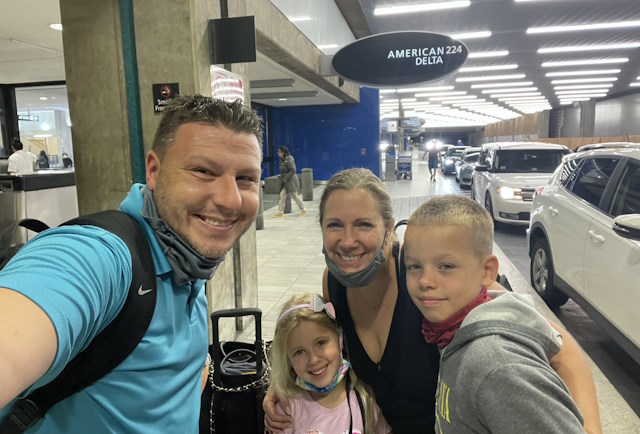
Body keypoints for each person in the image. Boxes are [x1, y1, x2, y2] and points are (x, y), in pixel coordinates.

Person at [264, 168, 602, 434]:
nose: (348, 240)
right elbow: (330, 354)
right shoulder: (333, 283)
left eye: (363, 224)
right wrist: (288, 389)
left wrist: (589, 428)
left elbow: (561, 351)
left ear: (387, 230)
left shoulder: (430, 283)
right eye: (334, 225)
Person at [0, 95, 263, 433]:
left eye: (246, 178)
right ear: (154, 171)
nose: (230, 199)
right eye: (203, 171)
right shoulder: (98, 258)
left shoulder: (186, 262)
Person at [404, 195, 586, 433]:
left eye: (446, 266)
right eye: (414, 266)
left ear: (487, 271)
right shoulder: (455, 333)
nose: (425, 281)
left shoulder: (496, 364)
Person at [271, 293, 391, 434]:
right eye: (299, 352)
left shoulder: (367, 400)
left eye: (320, 343)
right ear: (288, 360)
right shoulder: (286, 411)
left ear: (339, 338)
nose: (313, 359)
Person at [272, 145, 307, 218]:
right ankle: (280, 212)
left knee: (294, 196)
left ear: (283, 152)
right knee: (282, 195)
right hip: (286, 182)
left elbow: (293, 170)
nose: (278, 153)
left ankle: (304, 210)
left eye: (279, 152)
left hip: (291, 181)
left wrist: (286, 178)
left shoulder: (289, 159)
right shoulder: (282, 160)